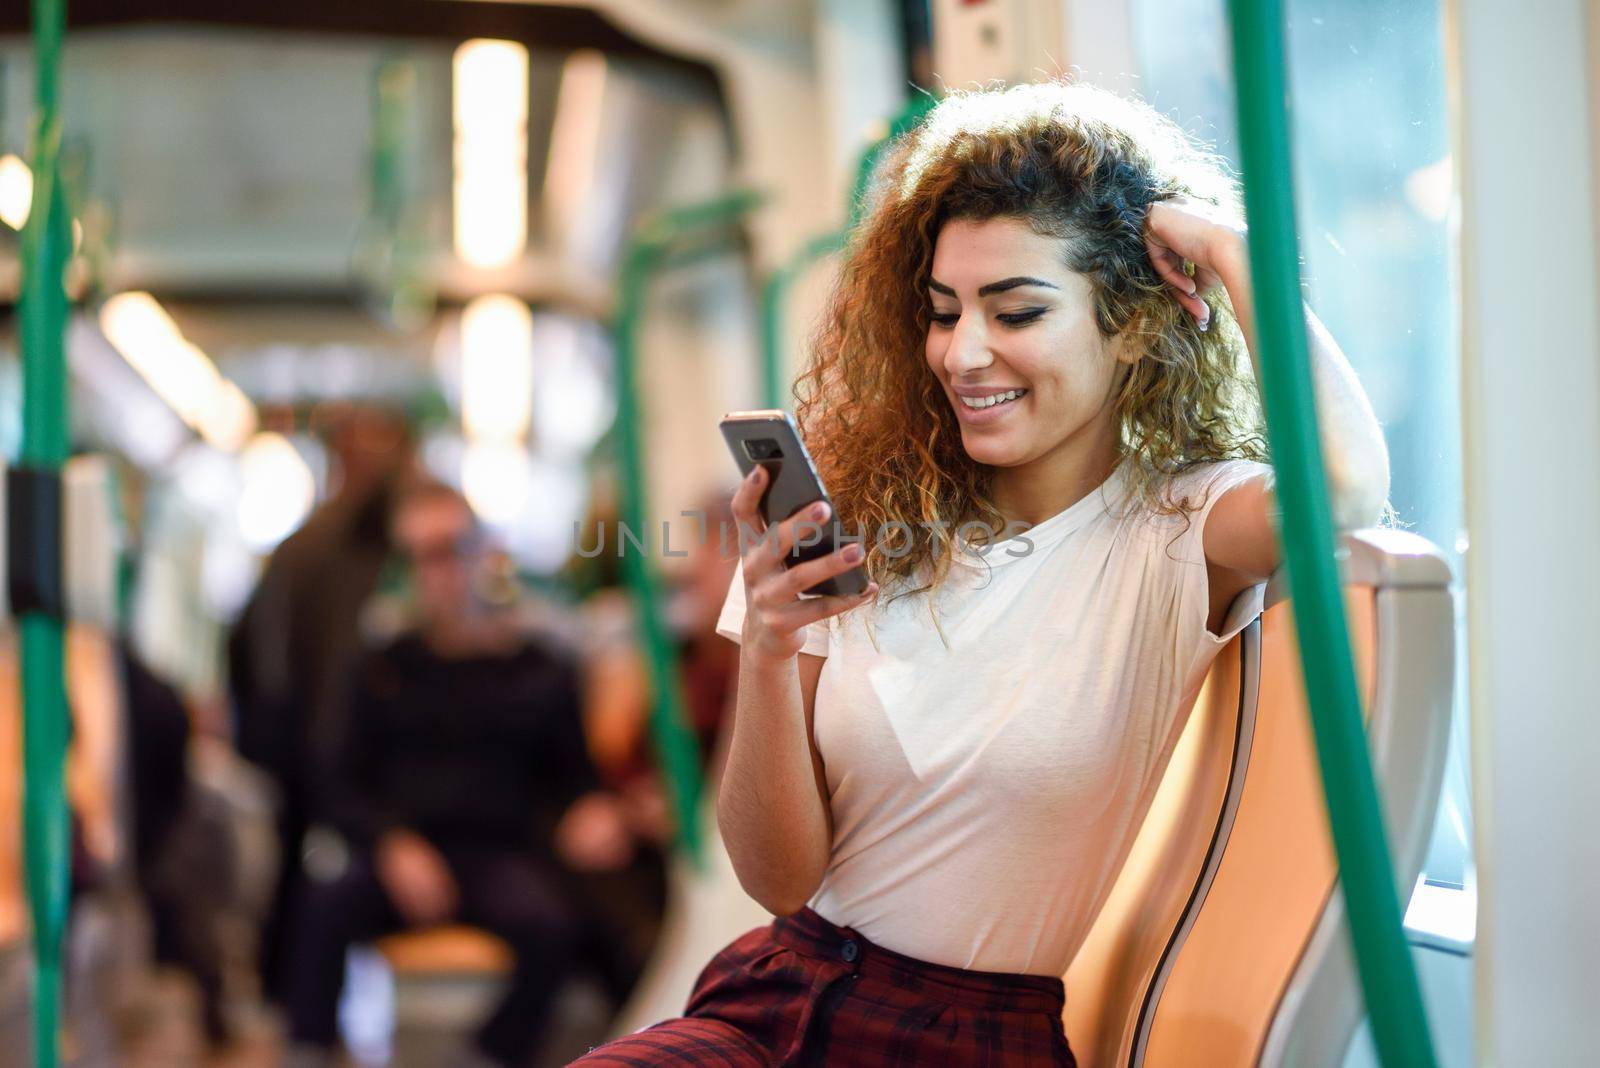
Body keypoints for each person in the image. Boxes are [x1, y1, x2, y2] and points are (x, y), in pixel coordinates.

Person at [574, 80, 1388, 1067]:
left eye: (1016, 311)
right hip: (780, 990)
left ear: (1129, 325)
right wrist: (768, 654)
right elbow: (780, 878)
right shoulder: (859, 519)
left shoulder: (1177, 525)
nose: (963, 352)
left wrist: (1231, 250)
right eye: (943, 310)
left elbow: (1341, 488)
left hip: (973, 1037)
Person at [284, 482, 635, 1068]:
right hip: (404, 852)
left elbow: (576, 778)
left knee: (556, 926)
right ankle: (308, 1052)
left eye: (449, 549)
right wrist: (393, 845)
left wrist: (594, 810)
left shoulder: (538, 669)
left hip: (500, 855)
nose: (437, 572)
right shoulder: (379, 670)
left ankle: (487, 1055)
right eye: (419, 555)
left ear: (483, 551)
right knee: (320, 907)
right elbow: (337, 782)